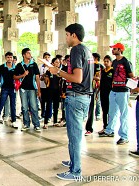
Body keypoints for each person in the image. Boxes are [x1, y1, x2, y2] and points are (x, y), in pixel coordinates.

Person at [49, 23, 93, 180]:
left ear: (74, 35)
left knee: (74, 134)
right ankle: (73, 161)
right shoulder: (87, 50)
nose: (65, 38)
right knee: (75, 134)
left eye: (67, 35)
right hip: (84, 97)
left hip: (76, 96)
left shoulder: (76, 50)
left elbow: (77, 78)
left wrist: (58, 72)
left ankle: (75, 171)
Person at [99, 43, 134, 145]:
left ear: (120, 49)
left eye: (114, 49)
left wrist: (130, 89)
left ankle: (124, 136)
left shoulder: (126, 61)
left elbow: (131, 76)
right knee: (112, 112)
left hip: (123, 91)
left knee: (123, 114)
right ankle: (109, 130)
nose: (112, 50)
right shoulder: (114, 62)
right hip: (114, 90)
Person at [14, 48, 41, 132]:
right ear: (24, 55)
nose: (30, 54)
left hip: (33, 89)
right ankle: (26, 124)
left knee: (34, 107)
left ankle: (36, 124)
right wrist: (23, 75)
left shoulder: (34, 64)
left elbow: (37, 78)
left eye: (30, 53)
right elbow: (14, 77)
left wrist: (39, 90)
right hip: (23, 89)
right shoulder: (19, 65)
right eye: (28, 53)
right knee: (24, 107)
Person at [0, 52, 17, 130]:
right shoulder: (1, 67)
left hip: (12, 88)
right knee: (1, 105)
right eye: (8, 57)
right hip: (4, 88)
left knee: (13, 105)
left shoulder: (15, 67)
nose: (9, 59)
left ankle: (14, 121)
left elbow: (17, 77)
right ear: (5, 58)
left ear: (13, 58)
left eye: (11, 57)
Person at [84, 53, 103, 135]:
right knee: (88, 108)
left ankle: (89, 128)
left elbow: (98, 78)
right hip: (86, 88)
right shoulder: (87, 65)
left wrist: (90, 77)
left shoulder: (97, 66)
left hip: (93, 88)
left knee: (92, 108)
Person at [96, 55, 113, 133]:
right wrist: (97, 92)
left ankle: (110, 128)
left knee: (110, 111)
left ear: (111, 62)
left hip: (110, 93)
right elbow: (100, 82)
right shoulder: (102, 71)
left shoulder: (113, 71)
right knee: (104, 111)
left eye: (107, 61)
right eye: (105, 61)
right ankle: (105, 127)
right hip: (103, 93)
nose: (106, 63)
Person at [46, 57, 61, 128]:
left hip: (57, 90)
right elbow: (46, 80)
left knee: (56, 106)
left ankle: (55, 121)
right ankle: (46, 122)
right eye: (56, 62)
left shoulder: (60, 72)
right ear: (53, 63)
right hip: (50, 90)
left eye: (58, 62)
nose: (58, 63)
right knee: (48, 105)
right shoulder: (49, 71)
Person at [39, 52, 51, 122]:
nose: (47, 58)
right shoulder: (40, 66)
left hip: (49, 87)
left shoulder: (50, 67)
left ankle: (48, 116)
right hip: (42, 86)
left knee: (49, 102)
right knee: (42, 101)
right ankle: (43, 115)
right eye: (45, 57)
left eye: (48, 57)